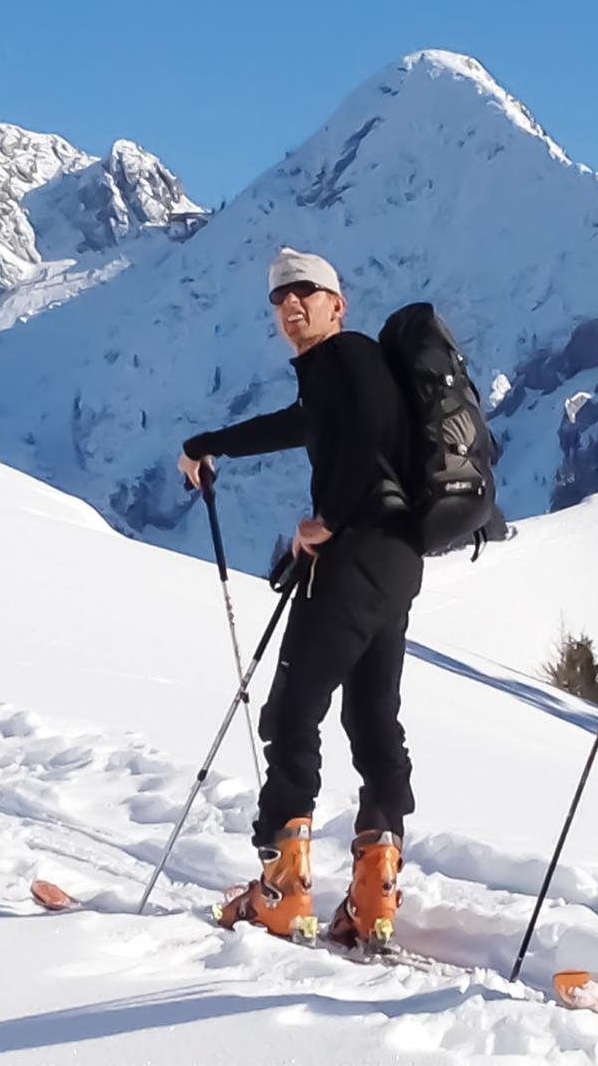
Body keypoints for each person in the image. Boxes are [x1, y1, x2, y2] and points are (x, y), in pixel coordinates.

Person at [178, 247, 422, 947]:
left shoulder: (343, 360)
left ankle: (282, 893)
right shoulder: (349, 369)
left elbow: (366, 440)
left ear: (336, 303)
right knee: (374, 720)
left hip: (354, 557)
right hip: (397, 561)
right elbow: (302, 426)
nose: (290, 306)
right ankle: (375, 894)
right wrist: (210, 442)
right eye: (280, 298)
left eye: (305, 293)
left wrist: (331, 520)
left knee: (291, 713)